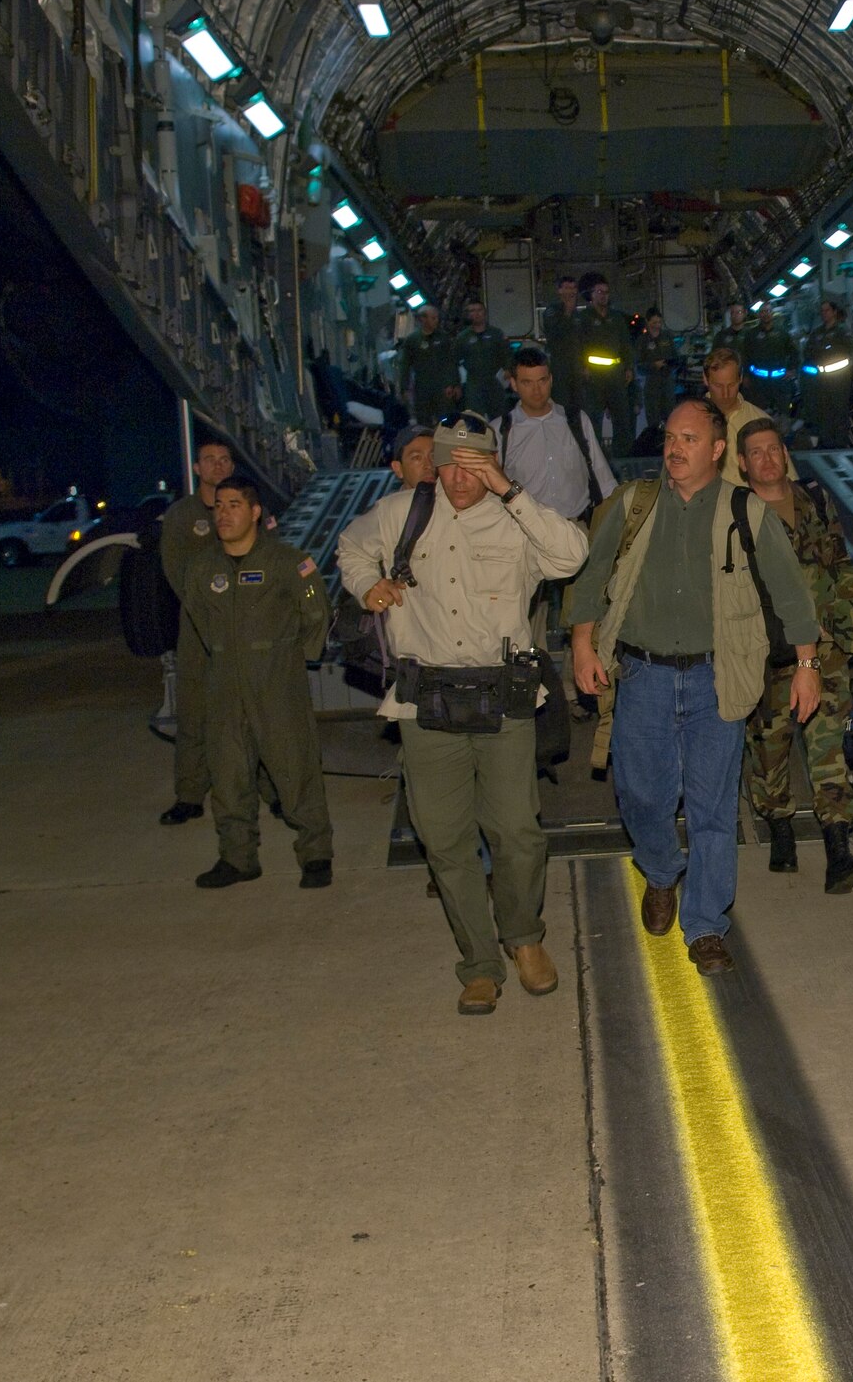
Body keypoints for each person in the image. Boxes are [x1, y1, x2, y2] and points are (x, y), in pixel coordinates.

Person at [337, 413, 588, 1014]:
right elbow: (351, 545)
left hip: (502, 699)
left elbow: (571, 556)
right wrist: (365, 584)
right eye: (446, 463)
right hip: (427, 702)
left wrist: (508, 489)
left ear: (491, 465)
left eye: (471, 466)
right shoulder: (406, 512)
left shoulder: (516, 515)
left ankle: (524, 940)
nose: (455, 477)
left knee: (517, 833)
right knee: (445, 839)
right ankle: (479, 962)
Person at [568, 398, 820, 977]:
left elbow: (790, 593)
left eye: (688, 439)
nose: (674, 449)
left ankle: (706, 925)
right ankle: (660, 871)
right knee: (641, 796)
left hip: (718, 678)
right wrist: (583, 642)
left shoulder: (746, 512)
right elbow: (591, 576)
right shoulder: (635, 505)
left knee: (711, 809)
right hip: (642, 675)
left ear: (715, 450)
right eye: (670, 438)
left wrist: (807, 665)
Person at [734, 417, 853, 891]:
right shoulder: (738, 514)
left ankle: (839, 852)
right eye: (756, 452)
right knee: (769, 746)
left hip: (827, 648)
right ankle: (780, 830)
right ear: (741, 463)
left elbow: (840, 561)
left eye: (774, 449)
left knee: (828, 745)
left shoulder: (814, 498)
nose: (767, 459)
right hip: (771, 651)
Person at [179, 474, 335, 890]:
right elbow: (196, 616)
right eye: (218, 506)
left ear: (254, 512)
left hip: (277, 685)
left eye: (233, 505)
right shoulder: (202, 568)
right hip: (224, 686)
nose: (223, 514)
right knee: (228, 776)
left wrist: (288, 656)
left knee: (295, 768)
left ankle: (316, 853)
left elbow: (316, 612)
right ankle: (237, 858)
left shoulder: (287, 562)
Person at [158, 435, 237, 826]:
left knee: (255, 712)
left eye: (224, 460)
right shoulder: (181, 516)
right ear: (196, 468)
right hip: (198, 628)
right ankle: (189, 795)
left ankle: (273, 792)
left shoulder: (247, 507)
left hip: (245, 627)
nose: (218, 466)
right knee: (193, 715)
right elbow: (175, 572)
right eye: (210, 460)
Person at [492, 347, 617, 523]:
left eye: (542, 381)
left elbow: (603, 478)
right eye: (527, 382)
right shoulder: (500, 431)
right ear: (514, 384)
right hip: (525, 534)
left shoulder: (576, 422)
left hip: (576, 529)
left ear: (551, 380)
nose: (536, 390)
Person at [704, 348, 795, 486]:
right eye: (718, 385)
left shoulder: (760, 421)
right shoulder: (690, 422)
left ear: (740, 379)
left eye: (731, 384)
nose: (725, 393)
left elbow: (789, 480)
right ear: (705, 379)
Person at [574, 274, 635, 448]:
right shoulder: (584, 318)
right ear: (592, 295)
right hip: (594, 375)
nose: (603, 295)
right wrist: (582, 367)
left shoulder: (616, 318)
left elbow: (625, 343)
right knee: (594, 418)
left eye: (606, 292)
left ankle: (622, 455)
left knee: (621, 417)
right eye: (599, 292)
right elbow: (578, 345)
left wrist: (629, 367)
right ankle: (596, 456)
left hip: (615, 374)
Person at [800, 300, 853, 448]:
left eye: (827, 310)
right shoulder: (817, 333)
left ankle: (840, 443)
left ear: (834, 312)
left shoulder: (842, 331)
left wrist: (827, 352)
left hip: (838, 380)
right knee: (823, 413)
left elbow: (846, 351)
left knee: (839, 412)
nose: (824, 314)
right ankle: (826, 444)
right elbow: (808, 352)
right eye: (822, 311)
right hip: (820, 381)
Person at [397, 305, 463, 426]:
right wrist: (404, 388)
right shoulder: (413, 340)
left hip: (442, 387)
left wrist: (454, 384)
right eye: (433, 318)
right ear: (423, 319)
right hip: (422, 387)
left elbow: (451, 362)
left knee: (445, 419)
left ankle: (444, 439)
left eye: (437, 318)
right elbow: (405, 365)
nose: (436, 321)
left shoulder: (443, 338)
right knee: (423, 419)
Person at [454, 297, 514, 418]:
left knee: (499, 418)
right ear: (468, 314)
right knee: (475, 419)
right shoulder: (462, 337)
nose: (476, 314)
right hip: (473, 383)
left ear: (485, 313)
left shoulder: (496, 334)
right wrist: (455, 384)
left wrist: (509, 369)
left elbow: (506, 354)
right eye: (472, 311)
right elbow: (453, 362)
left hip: (494, 381)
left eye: (479, 310)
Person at [744, 305, 799, 418]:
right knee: (760, 415)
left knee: (783, 414)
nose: (765, 314)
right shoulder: (752, 335)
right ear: (759, 314)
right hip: (759, 382)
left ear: (772, 313)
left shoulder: (782, 333)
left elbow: (794, 352)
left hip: (779, 381)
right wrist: (746, 376)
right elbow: (745, 356)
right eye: (763, 311)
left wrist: (792, 369)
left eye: (768, 311)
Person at [635, 308, 680, 434]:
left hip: (667, 381)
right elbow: (639, 365)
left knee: (670, 416)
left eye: (659, 322)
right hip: (651, 383)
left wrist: (669, 363)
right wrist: (653, 365)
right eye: (654, 323)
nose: (657, 326)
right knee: (653, 417)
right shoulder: (642, 341)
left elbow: (677, 358)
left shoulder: (667, 337)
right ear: (647, 322)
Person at [541, 275, 582, 410]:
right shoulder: (552, 310)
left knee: (577, 404)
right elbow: (555, 333)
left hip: (576, 364)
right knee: (561, 403)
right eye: (567, 288)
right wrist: (567, 313)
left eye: (573, 288)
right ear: (559, 291)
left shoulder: (577, 314)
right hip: (559, 364)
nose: (571, 291)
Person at [387, 423, 436, 489]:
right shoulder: (390, 499)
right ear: (398, 468)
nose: (429, 465)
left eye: (433, 457)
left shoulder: (449, 498)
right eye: (417, 458)